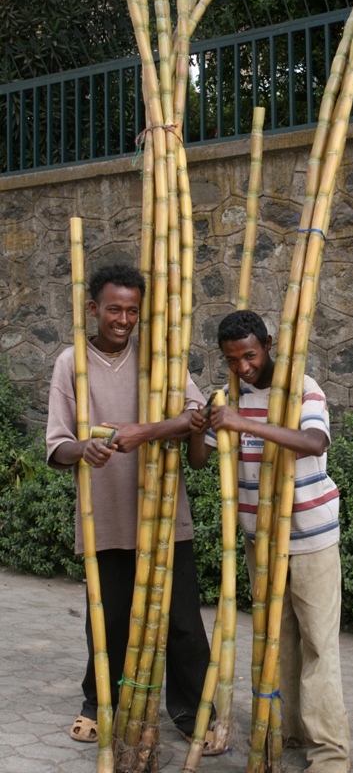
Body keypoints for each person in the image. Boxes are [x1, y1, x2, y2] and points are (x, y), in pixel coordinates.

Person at [46, 263, 218, 752]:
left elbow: (195, 416)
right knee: (108, 618)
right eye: (114, 309)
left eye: (132, 311)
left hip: (163, 511)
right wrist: (86, 450)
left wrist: (146, 431)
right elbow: (57, 444)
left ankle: (191, 713)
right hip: (105, 512)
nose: (123, 319)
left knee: (183, 620)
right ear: (93, 308)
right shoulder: (69, 362)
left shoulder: (158, 358)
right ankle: (99, 702)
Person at [188, 309, 350, 773]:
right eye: (232, 359)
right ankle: (290, 731)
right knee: (277, 642)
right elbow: (201, 462)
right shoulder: (229, 398)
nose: (243, 367)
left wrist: (243, 425)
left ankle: (331, 756)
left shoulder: (304, 387)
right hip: (261, 539)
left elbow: (314, 442)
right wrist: (201, 432)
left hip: (312, 537)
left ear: (269, 343)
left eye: (250, 356)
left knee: (320, 644)